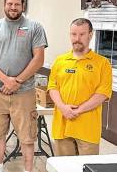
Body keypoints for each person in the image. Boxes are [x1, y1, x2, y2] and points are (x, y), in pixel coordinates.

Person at [0, 0, 48, 172]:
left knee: (27, 138)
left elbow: (38, 59)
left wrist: (16, 81)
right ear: (4, 4)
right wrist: (6, 80)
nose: (13, 7)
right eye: (10, 3)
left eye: (17, 4)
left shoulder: (35, 27)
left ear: (23, 5)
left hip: (24, 93)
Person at [47, 18, 112, 156]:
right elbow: (52, 87)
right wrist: (63, 108)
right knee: (64, 168)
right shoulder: (60, 61)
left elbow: (103, 93)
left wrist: (78, 111)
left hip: (87, 129)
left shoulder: (102, 63)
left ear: (90, 35)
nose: (77, 38)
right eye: (73, 34)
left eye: (82, 34)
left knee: (87, 167)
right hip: (62, 126)